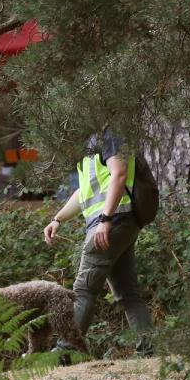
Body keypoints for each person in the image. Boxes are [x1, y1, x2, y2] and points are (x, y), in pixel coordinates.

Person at [43, 129, 153, 356]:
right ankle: (148, 351)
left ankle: (64, 353)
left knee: (83, 290)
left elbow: (119, 173)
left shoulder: (109, 134)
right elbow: (84, 193)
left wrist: (106, 219)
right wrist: (58, 219)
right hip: (118, 223)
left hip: (111, 223)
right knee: (128, 293)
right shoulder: (91, 145)